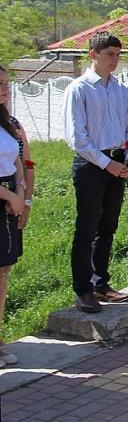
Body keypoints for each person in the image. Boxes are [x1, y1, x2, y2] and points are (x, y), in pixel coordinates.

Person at [64, 31, 128, 313]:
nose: (115, 60)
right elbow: (77, 137)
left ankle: (101, 283)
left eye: (118, 55)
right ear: (93, 55)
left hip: (118, 162)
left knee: (108, 226)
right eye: (109, 54)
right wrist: (105, 162)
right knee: (86, 227)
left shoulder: (121, 90)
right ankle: (83, 289)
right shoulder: (80, 88)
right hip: (92, 164)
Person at [0, 66, 30, 366]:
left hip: (10, 198)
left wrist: (20, 193)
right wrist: (10, 196)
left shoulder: (7, 122)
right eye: (0, 84)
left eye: (7, 83)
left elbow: (18, 160)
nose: (6, 88)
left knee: (4, 270)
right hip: (4, 196)